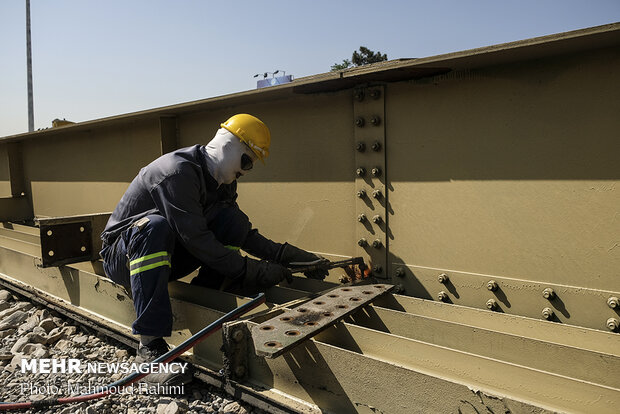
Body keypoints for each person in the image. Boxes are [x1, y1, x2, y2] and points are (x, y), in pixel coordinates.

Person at [99, 114, 327, 385]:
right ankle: (149, 348)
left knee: (231, 221)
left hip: (165, 255)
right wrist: (253, 271)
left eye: (251, 165)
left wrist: (286, 256)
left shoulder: (224, 183)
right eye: (246, 161)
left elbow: (241, 233)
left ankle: (206, 295)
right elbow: (197, 240)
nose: (246, 170)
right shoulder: (176, 172)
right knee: (155, 227)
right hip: (124, 257)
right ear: (228, 145)